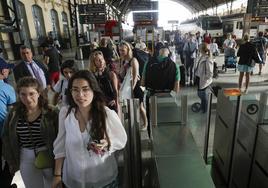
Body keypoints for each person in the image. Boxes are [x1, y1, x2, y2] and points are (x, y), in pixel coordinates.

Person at [52, 70, 127, 188]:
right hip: (73, 179)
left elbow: (121, 139)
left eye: (85, 89)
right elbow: (60, 145)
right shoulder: (65, 114)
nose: (80, 95)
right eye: (75, 89)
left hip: (103, 179)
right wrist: (57, 175)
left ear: (94, 90)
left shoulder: (106, 114)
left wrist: (107, 143)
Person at [2, 77, 59, 188]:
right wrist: (11, 160)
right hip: (25, 154)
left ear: (39, 93)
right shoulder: (13, 114)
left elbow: (61, 136)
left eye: (31, 93)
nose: (27, 98)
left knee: (52, 185)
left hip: (49, 153)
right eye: (23, 94)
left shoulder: (51, 112)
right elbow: (6, 137)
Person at [118, 41, 148, 130]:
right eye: (120, 50)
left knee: (140, 106)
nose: (121, 52)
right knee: (130, 105)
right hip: (128, 86)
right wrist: (123, 66)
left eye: (123, 50)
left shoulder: (134, 60)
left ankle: (145, 124)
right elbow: (122, 75)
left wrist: (132, 89)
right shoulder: (124, 60)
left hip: (136, 86)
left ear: (128, 50)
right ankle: (133, 123)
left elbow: (135, 77)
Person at [0, 58, 16, 188]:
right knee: (11, 160)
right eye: (7, 68)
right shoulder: (6, 88)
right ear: (2, 71)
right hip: (3, 131)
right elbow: (12, 113)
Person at [194, 43, 214, 113]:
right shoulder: (202, 56)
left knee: (202, 94)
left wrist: (206, 78)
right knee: (201, 94)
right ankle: (203, 107)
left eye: (199, 47)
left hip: (203, 79)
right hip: (199, 77)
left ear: (202, 49)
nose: (198, 48)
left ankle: (205, 109)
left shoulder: (208, 58)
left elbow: (210, 72)